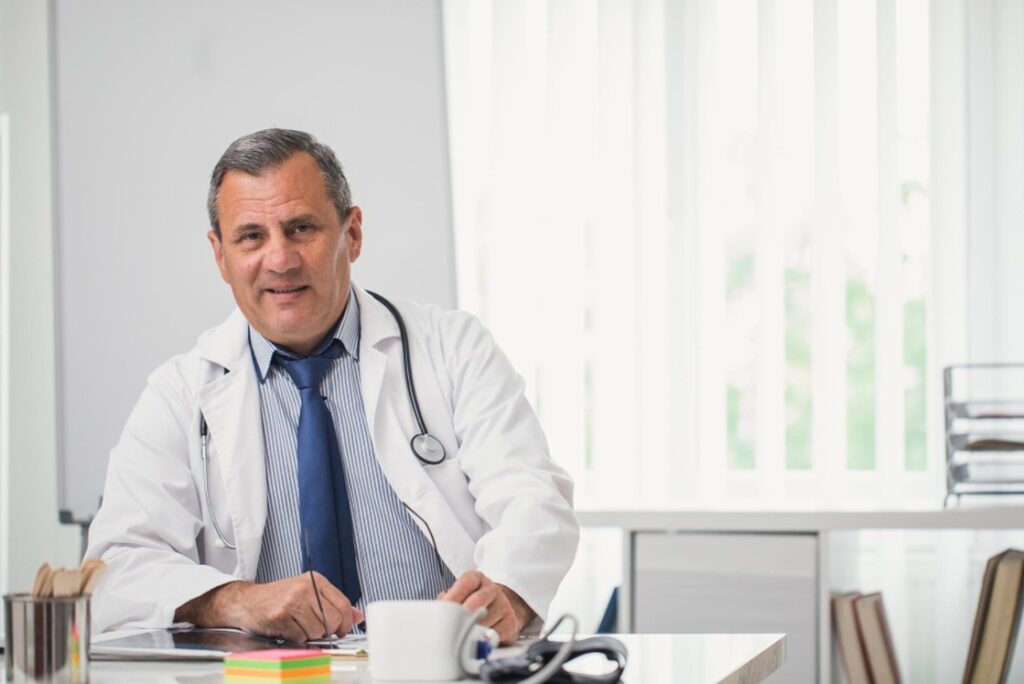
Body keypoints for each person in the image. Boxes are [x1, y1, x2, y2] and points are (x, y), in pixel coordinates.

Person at [84, 129, 579, 645]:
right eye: (251, 236)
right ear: (220, 255)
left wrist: (507, 596)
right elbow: (117, 564)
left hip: (435, 668)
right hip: (268, 680)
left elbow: (532, 498)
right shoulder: (179, 392)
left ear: (353, 233)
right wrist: (233, 599)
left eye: (301, 228)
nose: (280, 260)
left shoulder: (454, 349)